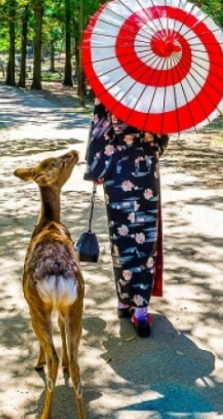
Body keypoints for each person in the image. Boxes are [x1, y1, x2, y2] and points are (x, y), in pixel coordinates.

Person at [84, 99, 168, 337]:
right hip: (146, 171)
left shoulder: (109, 88)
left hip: (117, 170)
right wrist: (152, 149)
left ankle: (123, 302)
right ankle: (141, 311)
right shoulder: (158, 94)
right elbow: (163, 134)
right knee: (145, 238)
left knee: (121, 237)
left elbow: (99, 130)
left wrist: (95, 169)